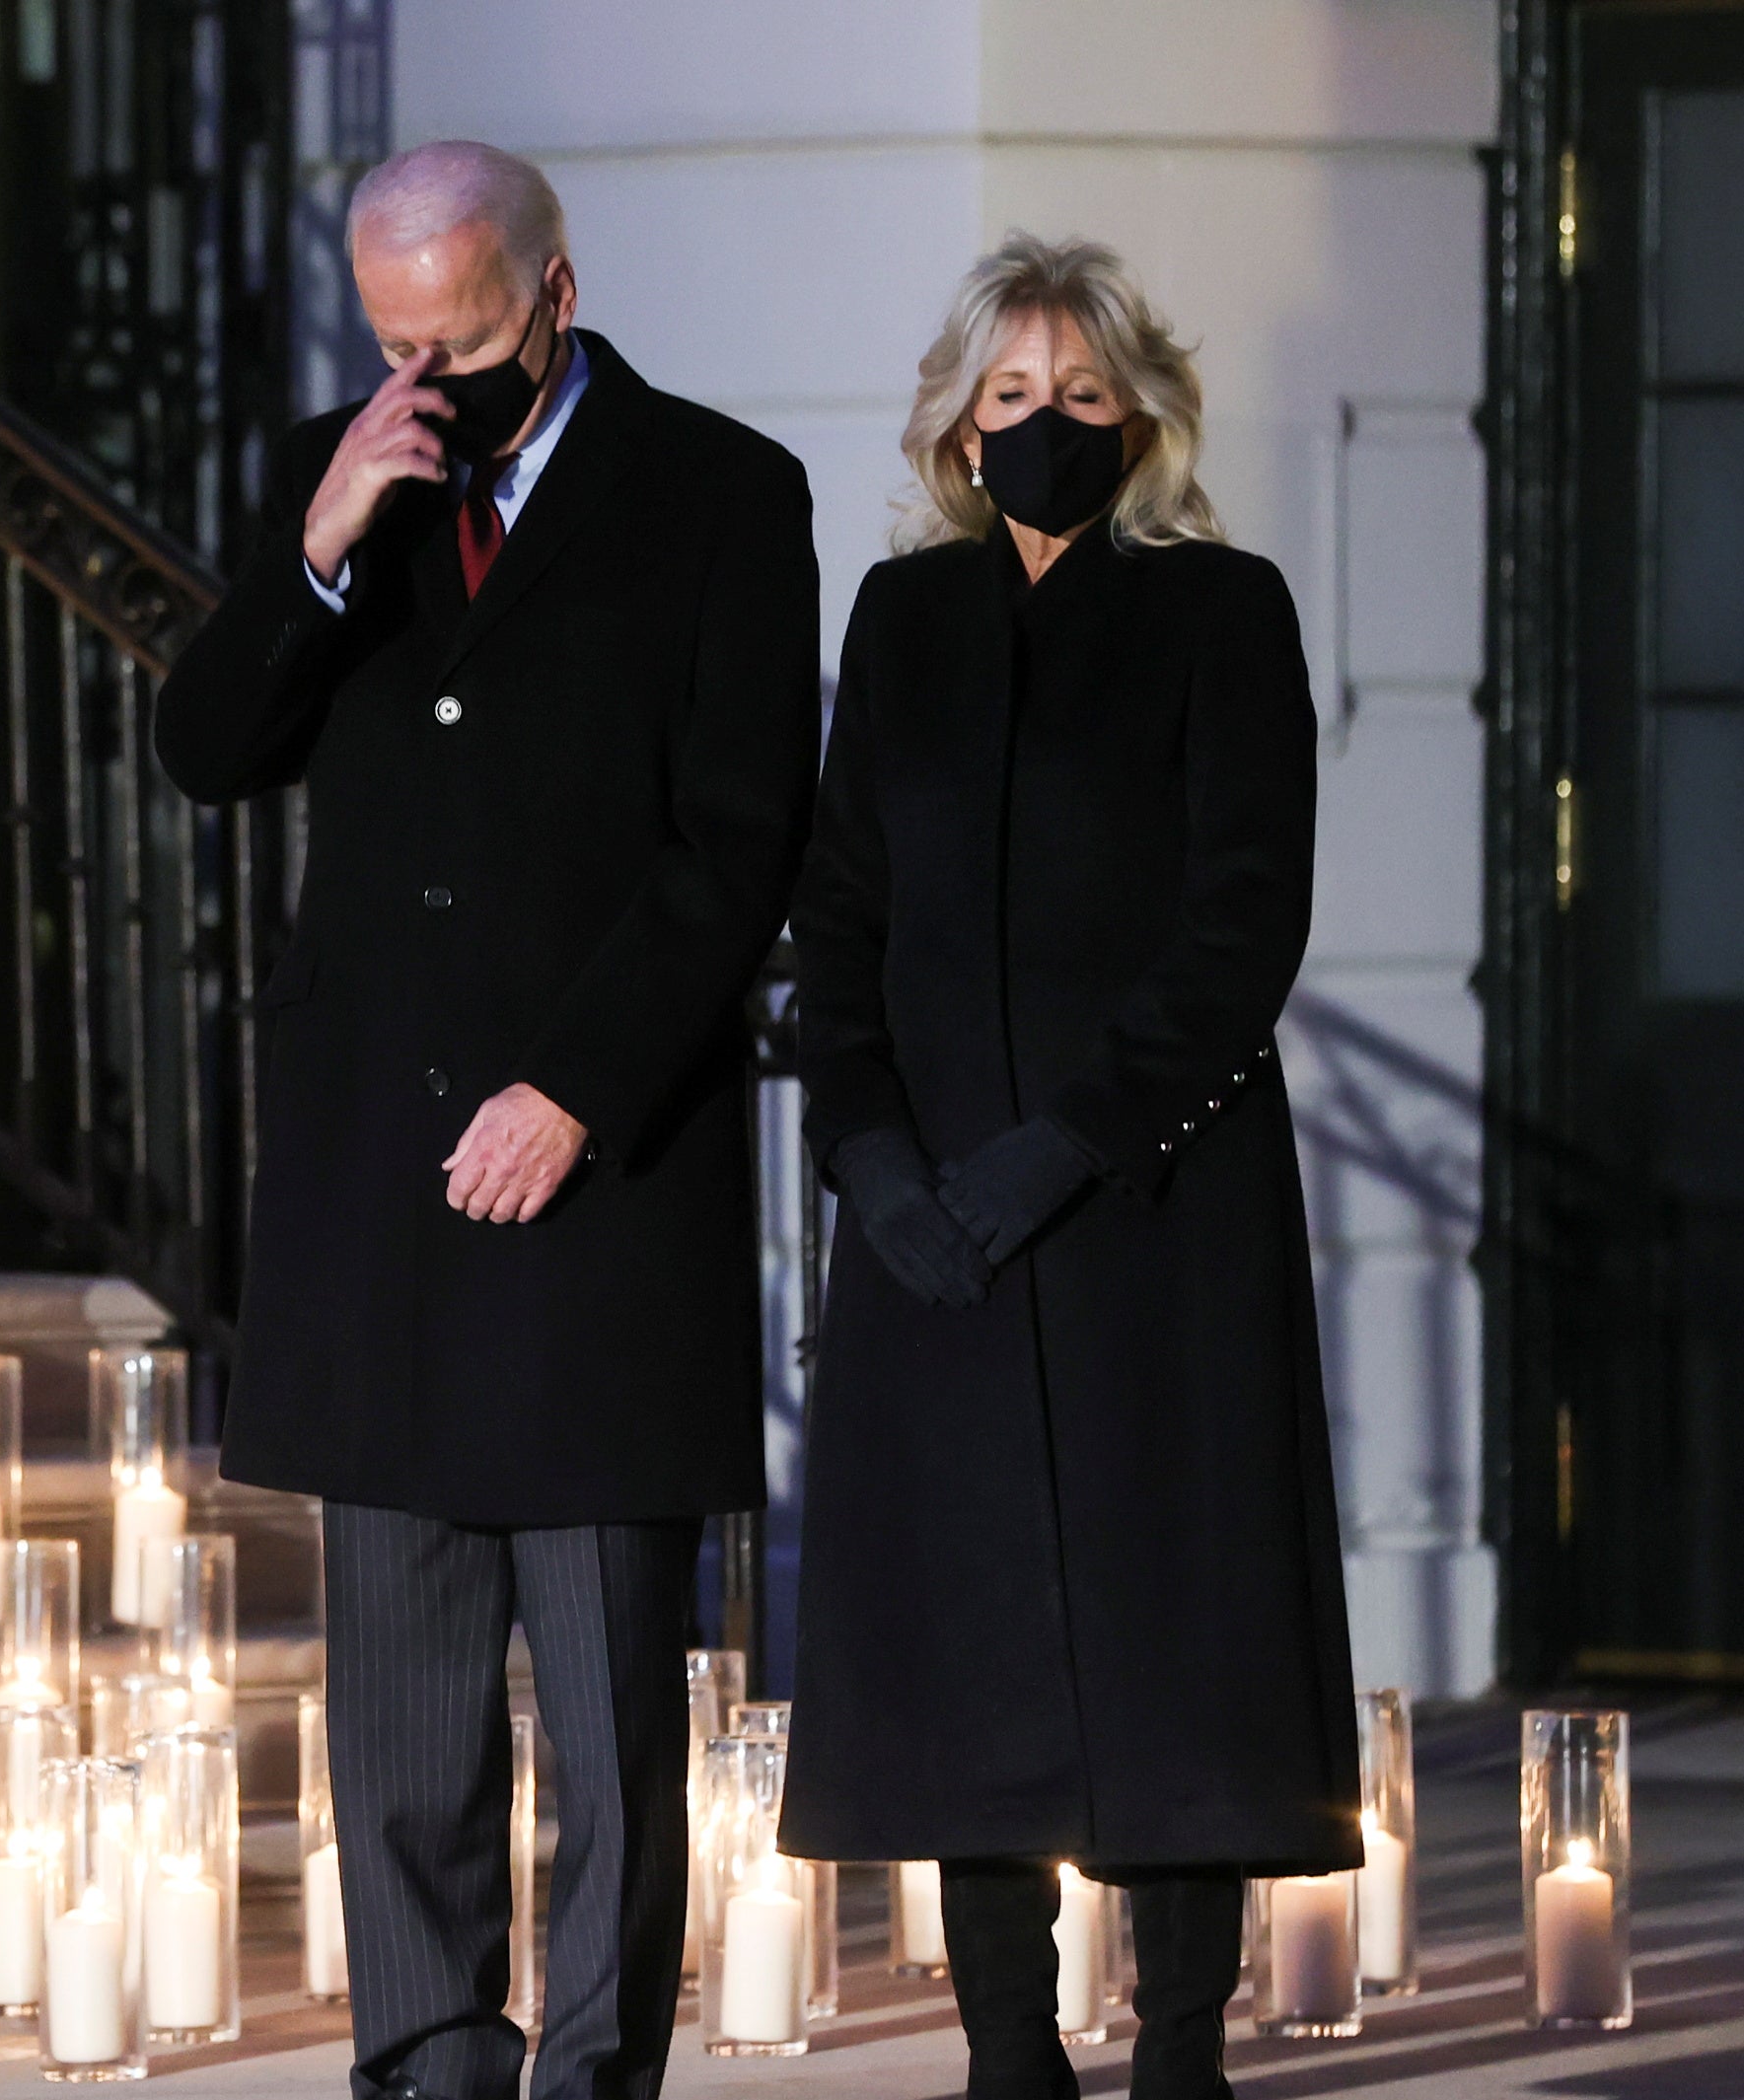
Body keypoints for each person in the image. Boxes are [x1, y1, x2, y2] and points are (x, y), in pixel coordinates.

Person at [156, 140, 818, 2100]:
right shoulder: (332, 463)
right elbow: (208, 748)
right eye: (389, 343)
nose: (422, 377)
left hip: (599, 1177)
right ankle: (427, 2055)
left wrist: (580, 1082)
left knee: (611, 1703)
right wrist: (323, 536)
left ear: (553, 291)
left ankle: (596, 2068)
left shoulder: (718, 492)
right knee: (404, 1702)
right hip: (383, 1185)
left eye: (458, 340)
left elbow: (739, 838)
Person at [778, 234, 1358, 2100]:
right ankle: (1007, 2054)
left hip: (1149, 1213)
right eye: (1008, 397)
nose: (1041, 427)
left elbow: (1237, 924)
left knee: (1169, 1637)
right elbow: (840, 914)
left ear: (1140, 418)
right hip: (929, 1226)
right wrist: (865, 1157)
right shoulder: (901, 624)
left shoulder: (1220, 609)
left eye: (1081, 398)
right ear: (953, 425)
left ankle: (1180, 2050)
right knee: (961, 1647)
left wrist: (1067, 1144)